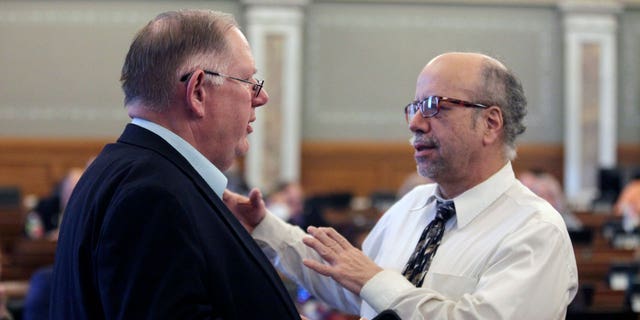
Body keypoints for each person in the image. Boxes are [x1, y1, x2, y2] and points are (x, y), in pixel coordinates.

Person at [225, 52, 578, 319]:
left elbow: (373, 284)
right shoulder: (414, 206)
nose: (416, 123)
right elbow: (354, 285)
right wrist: (263, 227)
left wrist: (376, 281)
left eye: (434, 106)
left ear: (490, 123)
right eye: (414, 107)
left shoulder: (535, 231)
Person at [50, 9, 302, 319]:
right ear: (198, 91)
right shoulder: (152, 196)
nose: (261, 97)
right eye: (248, 81)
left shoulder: (123, 172)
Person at [518, 169, 583, 231]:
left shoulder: (570, 225)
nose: (545, 200)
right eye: (541, 195)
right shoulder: (526, 220)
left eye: (549, 196)